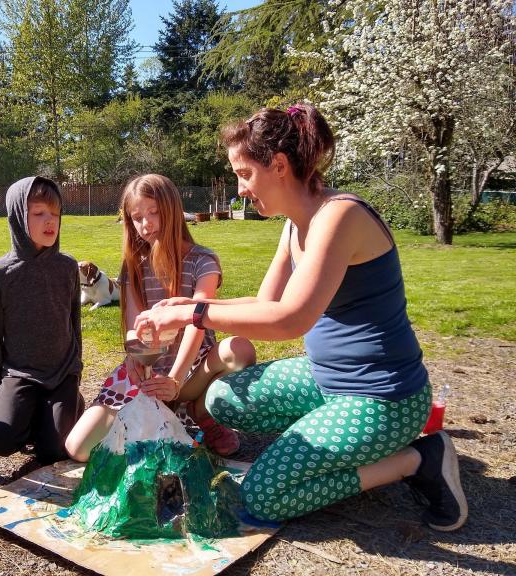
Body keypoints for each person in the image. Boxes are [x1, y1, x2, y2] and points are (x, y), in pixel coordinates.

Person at [133, 104, 468, 531]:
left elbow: (289, 320)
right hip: (326, 379)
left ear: (278, 165)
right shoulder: (294, 225)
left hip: (385, 399)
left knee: (263, 495)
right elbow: (265, 302)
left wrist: (194, 314)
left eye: (244, 174)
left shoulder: (340, 216)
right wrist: (180, 312)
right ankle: (338, 443)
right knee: (222, 399)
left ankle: (417, 459)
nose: (240, 190)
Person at [64, 174, 256, 462]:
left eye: (154, 212)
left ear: (173, 209)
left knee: (239, 349)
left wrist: (175, 382)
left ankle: (201, 413)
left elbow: (198, 324)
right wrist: (140, 368)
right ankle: (151, 427)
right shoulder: (133, 266)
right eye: (137, 217)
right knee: (78, 448)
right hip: (149, 372)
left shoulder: (203, 260)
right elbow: (134, 329)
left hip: (191, 372)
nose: (146, 224)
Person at [0, 177, 84, 464]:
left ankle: (69, 404)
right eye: (39, 213)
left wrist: (75, 371)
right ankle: (32, 413)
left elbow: (74, 324)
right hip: (20, 375)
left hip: (62, 375)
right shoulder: (0, 273)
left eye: (56, 214)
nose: (50, 221)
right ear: (17, 216)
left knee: (53, 451)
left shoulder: (67, 267)